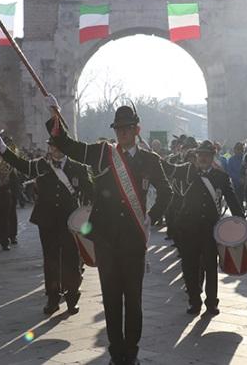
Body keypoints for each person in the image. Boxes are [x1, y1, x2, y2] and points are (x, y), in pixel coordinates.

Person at [45, 99, 172, 365]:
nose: (122, 133)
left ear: (137, 130)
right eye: (118, 129)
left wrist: (151, 217)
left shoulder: (150, 159)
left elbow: (166, 192)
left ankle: (132, 350)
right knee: (111, 298)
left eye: (127, 128)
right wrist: (55, 116)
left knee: (134, 300)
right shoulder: (103, 153)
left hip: (134, 240)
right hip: (106, 240)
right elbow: (70, 146)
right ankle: (116, 352)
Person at [0, 134, 93, 315]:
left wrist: (87, 218)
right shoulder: (42, 165)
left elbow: (90, 194)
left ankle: (72, 298)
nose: (55, 149)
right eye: (52, 146)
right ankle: (52, 298)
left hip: (70, 222)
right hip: (48, 221)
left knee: (72, 261)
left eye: (58, 146)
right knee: (51, 261)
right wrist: (3, 148)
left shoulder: (78, 168)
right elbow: (21, 164)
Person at [164, 140, 244, 315]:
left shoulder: (221, 177)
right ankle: (194, 301)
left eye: (206, 155)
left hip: (210, 228)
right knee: (189, 267)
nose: (203, 158)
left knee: (210, 267)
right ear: (196, 156)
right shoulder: (188, 172)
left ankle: (211, 302)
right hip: (188, 228)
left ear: (212, 156)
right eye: (200, 155)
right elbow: (169, 172)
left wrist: (241, 220)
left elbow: (232, 199)